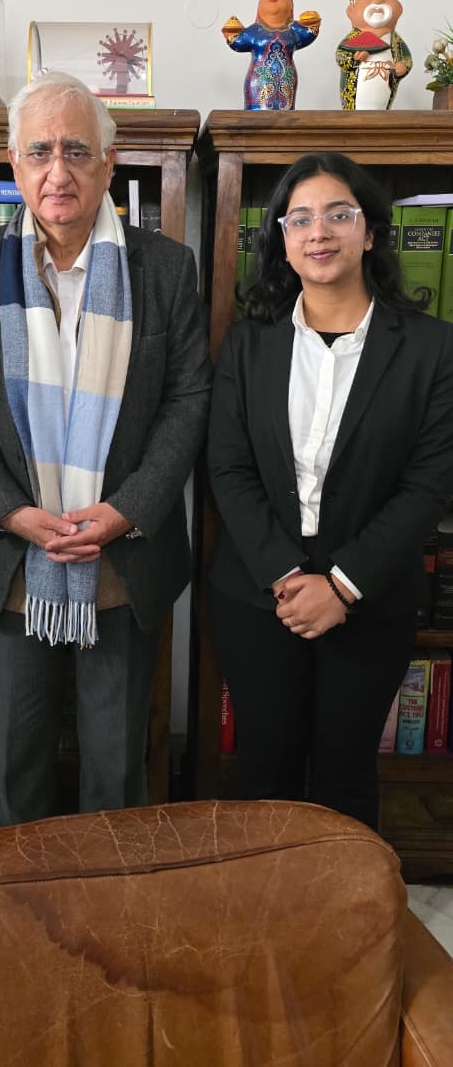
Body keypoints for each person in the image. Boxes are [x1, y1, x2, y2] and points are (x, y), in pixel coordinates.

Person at [0, 70, 211, 824]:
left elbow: (188, 402)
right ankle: (28, 892)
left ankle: (110, 890)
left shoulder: (166, 268)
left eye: (78, 151)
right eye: (41, 151)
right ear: (14, 163)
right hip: (12, 560)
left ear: (108, 164)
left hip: (123, 558)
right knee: (21, 761)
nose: (59, 171)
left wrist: (125, 511)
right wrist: (12, 512)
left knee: (116, 769)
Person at [207, 151, 453, 830]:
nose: (318, 232)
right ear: (283, 241)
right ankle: (268, 900)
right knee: (265, 769)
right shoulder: (248, 344)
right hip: (259, 594)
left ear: (369, 232)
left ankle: (345, 900)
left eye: (338, 215)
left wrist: (341, 586)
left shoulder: (433, 349)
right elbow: (227, 468)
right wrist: (288, 576)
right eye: (300, 219)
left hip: (371, 596)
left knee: (346, 771)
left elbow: (430, 483)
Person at [222, 0, 320, 110]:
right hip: (258, 80)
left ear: (290, 4)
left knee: (286, 114)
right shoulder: (255, 30)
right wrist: (232, 33)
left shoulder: (293, 28)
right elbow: (238, 42)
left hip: (287, 80)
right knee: (256, 115)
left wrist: (312, 23)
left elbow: (308, 34)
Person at [336, 0, 412, 110]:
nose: (377, 1)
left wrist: (403, 66)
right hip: (354, 102)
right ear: (351, 11)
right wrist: (354, 58)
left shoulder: (396, 42)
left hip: (385, 99)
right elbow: (341, 56)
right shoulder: (352, 40)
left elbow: (406, 59)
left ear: (399, 9)